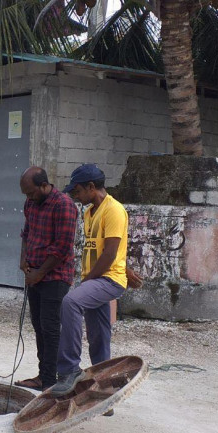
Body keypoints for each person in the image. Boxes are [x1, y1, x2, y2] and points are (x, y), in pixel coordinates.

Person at [51, 164, 133, 397]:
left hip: (107, 279)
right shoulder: (89, 212)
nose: (75, 196)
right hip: (97, 278)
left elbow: (110, 253)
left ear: (91, 187)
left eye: (77, 191)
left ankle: (69, 369)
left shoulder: (114, 210)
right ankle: (105, 392)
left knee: (71, 302)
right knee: (99, 337)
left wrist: (87, 281)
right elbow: (107, 249)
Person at [16, 166, 79, 391]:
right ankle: (44, 375)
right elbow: (27, 234)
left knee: (50, 328)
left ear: (44, 185)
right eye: (26, 194)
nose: (29, 198)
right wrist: (23, 260)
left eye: (31, 193)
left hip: (55, 277)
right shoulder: (31, 203)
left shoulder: (64, 205)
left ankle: (51, 381)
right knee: (38, 325)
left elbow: (62, 247)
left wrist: (39, 273)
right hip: (35, 274)